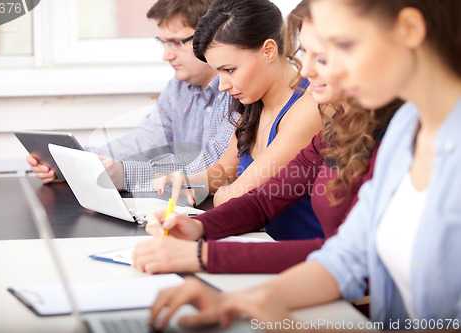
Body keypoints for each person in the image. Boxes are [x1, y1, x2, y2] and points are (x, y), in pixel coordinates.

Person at [148, 0, 461, 330]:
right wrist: (232, 298)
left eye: (336, 47)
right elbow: (347, 256)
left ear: (410, 30)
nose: (309, 71)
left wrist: (206, 257)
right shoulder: (406, 127)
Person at [132, 0, 402, 275]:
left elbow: (237, 196)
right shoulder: (338, 127)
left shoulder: (320, 110)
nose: (305, 70)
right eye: (305, 52)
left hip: (314, 270)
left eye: (320, 56)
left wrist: (204, 251)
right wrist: (198, 220)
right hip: (301, 263)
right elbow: (258, 198)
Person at [150, 0, 326, 242]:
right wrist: (188, 180)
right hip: (256, 242)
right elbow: (224, 170)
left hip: (298, 254)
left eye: (229, 70)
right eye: (217, 72)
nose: (222, 86)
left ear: (268, 51)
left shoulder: (308, 109)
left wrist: (223, 191)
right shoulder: (254, 101)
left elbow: (236, 198)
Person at [27, 0, 235, 193]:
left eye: (175, 42)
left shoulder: (237, 92)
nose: (166, 55)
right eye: (162, 42)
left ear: (211, 35)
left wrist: (125, 173)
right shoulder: (179, 88)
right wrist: (77, 159)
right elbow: (142, 143)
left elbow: (215, 166)